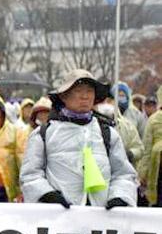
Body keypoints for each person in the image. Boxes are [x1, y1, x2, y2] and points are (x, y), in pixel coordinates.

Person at [20, 69, 137, 209]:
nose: (85, 96)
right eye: (78, 91)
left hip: (102, 220)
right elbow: (30, 175)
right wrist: (48, 195)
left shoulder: (108, 134)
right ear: (64, 96)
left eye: (89, 91)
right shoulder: (43, 134)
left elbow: (124, 173)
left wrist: (119, 197)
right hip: (59, 221)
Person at [94, 97, 143, 166]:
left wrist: (130, 154)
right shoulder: (90, 125)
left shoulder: (127, 126)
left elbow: (139, 148)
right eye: (102, 101)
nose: (106, 104)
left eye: (109, 101)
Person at [138, 86, 162, 206]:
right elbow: (146, 150)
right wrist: (143, 173)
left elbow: (146, 150)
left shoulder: (153, 119)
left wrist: (143, 174)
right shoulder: (153, 120)